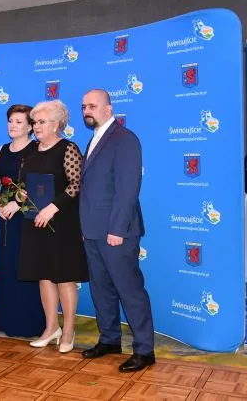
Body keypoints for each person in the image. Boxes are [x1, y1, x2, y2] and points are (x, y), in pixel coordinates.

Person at [80, 89, 153, 372]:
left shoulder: (125, 139)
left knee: (130, 291)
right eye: (84, 106)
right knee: (101, 290)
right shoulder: (94, 139)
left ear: (108, 109)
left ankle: (144, 350)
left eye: (92, 106)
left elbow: (128, 188)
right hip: (93, 231)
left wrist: (117, 229)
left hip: (116, 232)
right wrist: (85, 227)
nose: (87, 110)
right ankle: (109, 339)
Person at [17, 100, 88, 353]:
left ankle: (68, 330)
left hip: (63, 222)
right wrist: (20, 197)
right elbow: (23, 186)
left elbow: (76, 185)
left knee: (64, 277)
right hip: (36, 223)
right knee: (44, 276)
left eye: (41, 122)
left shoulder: (68, 148)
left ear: (57, 124)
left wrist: (53, 207)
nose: (36, 126)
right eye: (34, 122)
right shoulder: (30, 152)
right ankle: (51, 328)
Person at [0, 105, 45, 338]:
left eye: (18, 122)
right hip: (5, 218)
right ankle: (9, 321)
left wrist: (17, 204)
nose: (12, 126)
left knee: (26, 267)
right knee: (7, 267)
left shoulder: (37, 149)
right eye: (10, 121)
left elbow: (40, 186)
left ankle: (30, 323)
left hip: (27, 217)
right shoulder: (2, 150)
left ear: (30, 127)